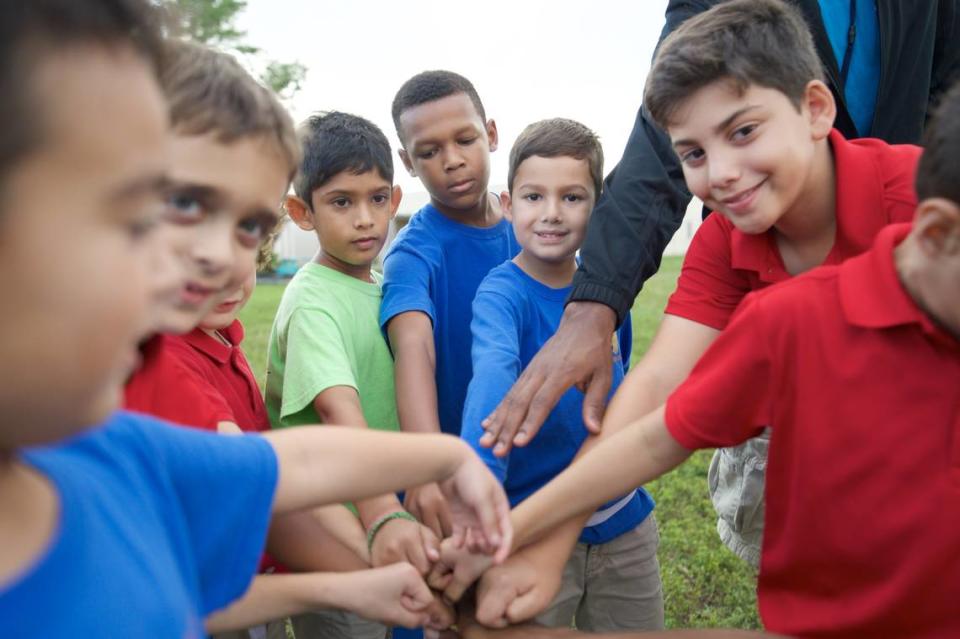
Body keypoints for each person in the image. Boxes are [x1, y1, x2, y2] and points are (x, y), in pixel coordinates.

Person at [0, 3, 513, 635]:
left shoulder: (103, 453)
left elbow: (285, 468)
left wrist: (442, 465)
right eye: (155, 208)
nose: (210, 262)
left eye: (248, 227)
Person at [480, 0, 960, 563]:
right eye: (693, 153)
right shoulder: (724, 242)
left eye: (744, 131)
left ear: (814, 109)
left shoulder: (921, 204)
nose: (723, 173)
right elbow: (658, 391)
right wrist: (548, 541)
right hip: (823, 481)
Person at [458, 118, 662, 631]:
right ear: (508, 205)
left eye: (572, 197)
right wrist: (476, 478)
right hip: (532, 522)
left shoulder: (608, 297)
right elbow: (492, 376)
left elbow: (620, 383)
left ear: (600, 207)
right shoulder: (501, 294)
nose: (551, 214)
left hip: (621, 520)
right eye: (533, 197)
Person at [269, 111, 446, 638]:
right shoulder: (312, 300)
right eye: (341, 202)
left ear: (394, 201)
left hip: (386, 523)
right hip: (339, 536)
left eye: (375, 199)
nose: (365, 219)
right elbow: (335, 407)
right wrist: (380, 515)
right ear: (303, 212)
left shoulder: (377, 285)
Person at [381, 71, 519, 540]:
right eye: (429, 151)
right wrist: (426, 467)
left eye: (465, 139)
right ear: (407, 161)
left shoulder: (532, 229)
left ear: (492, 135)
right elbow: (413, 347)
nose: (453, 161)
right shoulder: (412, 254)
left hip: (537, 466)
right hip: (453, 484)